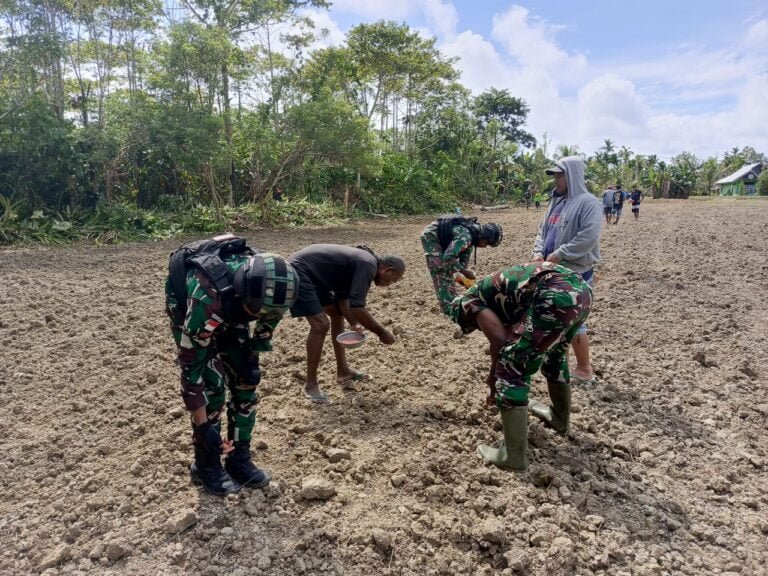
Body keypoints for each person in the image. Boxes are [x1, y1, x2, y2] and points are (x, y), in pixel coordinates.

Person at [165, 235, 300, 495]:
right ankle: (206, 464)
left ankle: (239, 458)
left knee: (246, 379)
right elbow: (192, 372)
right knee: (213, 386)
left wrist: (250, 362)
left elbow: (264, 328)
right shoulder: (207, 300)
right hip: (190, 303)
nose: (260, 318)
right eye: (254, 314)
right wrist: (204, 427)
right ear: (242, 295)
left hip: (233, 303)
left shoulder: (278, 291)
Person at [450, 262, 593, 470]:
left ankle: (512, 457)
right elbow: (507, 333)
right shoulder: (490, 293)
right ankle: (559, 419)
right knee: (554, 354)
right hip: (581, 291)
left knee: (511, 365)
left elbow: (501, 342)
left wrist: (493, 381)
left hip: (555, 296)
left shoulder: (469, 303)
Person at [288, 244, 405, 404]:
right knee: (320, 325)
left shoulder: (362, 262)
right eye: (392, 280)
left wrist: (354, 323)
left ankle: (343, 372)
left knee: (336, 314)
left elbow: (343, 299)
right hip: (298, 271)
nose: (389, 285)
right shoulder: (368, 264)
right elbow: (357, 307)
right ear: (387, 269)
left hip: (314, 276)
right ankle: (311, 384)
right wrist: (381, 333)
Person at [532, 155, 602, 385]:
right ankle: (559, 365)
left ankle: (584, 368)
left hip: (575, 273)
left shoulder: (588, 202)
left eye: (560, 175)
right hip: (550, 270)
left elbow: (588, 237)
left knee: (574, 322)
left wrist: (561, 253)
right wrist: (538, 253)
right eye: (555, 176)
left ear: (572, 175)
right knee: (555, 319)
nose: (556, 180)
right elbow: (542, 231)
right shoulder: (556, 202)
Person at [420, 216, 503, 316]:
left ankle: (453, 297)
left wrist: (473, 286)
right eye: (487, 244)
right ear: (483, 237)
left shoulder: (471, 240)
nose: (485, 246)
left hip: (444, 239)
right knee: (440, 270)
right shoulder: (466, 237)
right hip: (431, 236)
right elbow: (448, 258)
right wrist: (465, 272)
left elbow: (459, 269)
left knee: (452, 269)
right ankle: (448, 307)